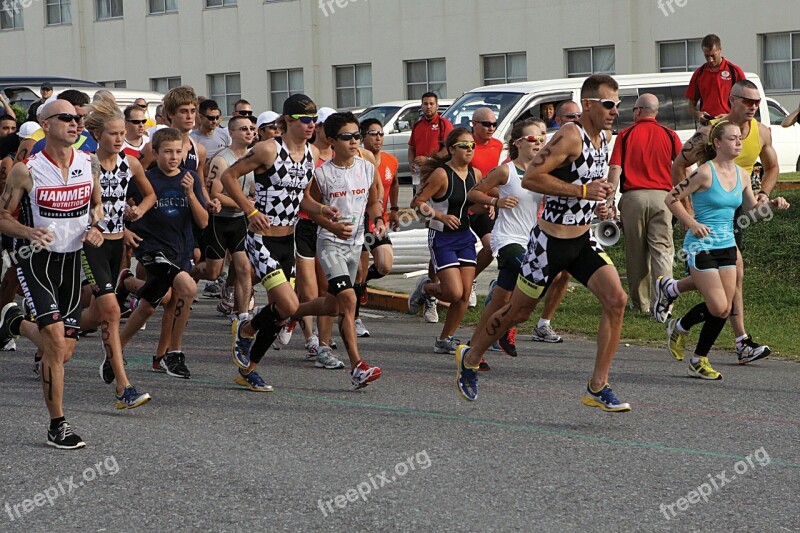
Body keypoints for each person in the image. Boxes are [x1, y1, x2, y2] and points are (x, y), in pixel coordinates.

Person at [454, 74, 631, 413]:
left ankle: (598, 385)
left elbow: (590, 182)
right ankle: (471, 356)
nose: (614, 111)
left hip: (581, 240)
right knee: (518, 312)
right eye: (609, 105)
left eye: (618, 105)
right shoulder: (569, 136)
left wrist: (602, 198)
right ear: (589, 105)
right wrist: (582, 192)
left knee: (617, 300)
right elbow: (533, 177)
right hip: (548, 243)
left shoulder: (604, 136)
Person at [0, 98, 106, 449]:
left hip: (73, 260)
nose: (75, 123)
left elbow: (97, 207)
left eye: (78, 118)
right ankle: (57, 425)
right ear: (46, 124)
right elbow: (3, 217)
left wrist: (95, 226)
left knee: (63, 351)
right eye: (66, 118)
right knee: (55, 343)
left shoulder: (88, 163)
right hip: (36, 261)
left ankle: (14, 322)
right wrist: (29, 233)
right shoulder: (25, 170)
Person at [223, 94, 344, 393]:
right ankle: (246, 329)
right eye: (305, 120)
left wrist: (322, 209)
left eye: (313, 121)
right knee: (290, 305)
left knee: (280, 312)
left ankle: (248, 369)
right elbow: (228, 176)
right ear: (288, 120)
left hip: (287, 240)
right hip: (261, 239)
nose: (310, 126)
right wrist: (250, 211)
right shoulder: (267, 149)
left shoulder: (310, 155)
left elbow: (301, 198)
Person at [661, 79, 778, 363]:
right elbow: (674, 184)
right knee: (721, 300)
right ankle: (738, 341)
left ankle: (675, 297)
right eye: (747, 101)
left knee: (727, 296)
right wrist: (689, 218)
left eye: (757, 102)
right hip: (703, 232)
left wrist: (770, 201)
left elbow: (756, 201)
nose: (753, 107)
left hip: (731, 222)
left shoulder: (749, 158)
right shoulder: (706, 155)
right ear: (732, 100)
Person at [466, 118, 571, 359]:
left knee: (498, 302)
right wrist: (496, 201)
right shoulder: (506, 170)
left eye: (542, 139)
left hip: (530, 239)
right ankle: (507, 327)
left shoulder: (542, 172)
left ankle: (472, 349)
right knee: (538, 276)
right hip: (507, 239)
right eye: (533, 139)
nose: (539, 143)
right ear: (518, 143)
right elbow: (473, 193)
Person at [297, 111, 386, 389]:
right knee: (348, 299)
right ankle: (357, 365)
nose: (354, 141)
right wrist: (332, 226)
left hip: (356, 245)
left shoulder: (367, 167)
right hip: (330, 244)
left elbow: (373, 203)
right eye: (347, 137)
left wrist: (379, 220)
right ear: (332, 140)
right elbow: (306, 207)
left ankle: (288, 314)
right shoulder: (321, 173)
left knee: (334, 305)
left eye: (357, 136)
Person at [80, 99, 155, 406]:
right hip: (92, 245)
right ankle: (123, 388)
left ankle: (55, 331)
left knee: (97, 315)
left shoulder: (132, 163)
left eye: (122, 132)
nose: (119, 138)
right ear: (97, 135)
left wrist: (137, 211)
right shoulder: (85, 163)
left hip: (116, 245)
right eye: (112, 133)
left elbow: (150, 194)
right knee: (111, 312)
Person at [117, 127, 209, 378]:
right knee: (188, 288)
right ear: (155, 152)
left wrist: (190, 193)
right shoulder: (144, 178)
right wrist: (126, 226)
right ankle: (174, 353)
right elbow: (120, 207)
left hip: (180, 248)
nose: (174, 157)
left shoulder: (191, 177)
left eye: (178, 151)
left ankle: (115, 348)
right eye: (167, 152)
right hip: (152, 249)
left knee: (150, 305)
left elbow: (203, 222)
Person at [606, 94, 682, 313]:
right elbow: (681, 168)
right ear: (656, 112)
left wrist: (610, 201)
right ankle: (664, 303)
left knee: (636, 254)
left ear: (638, 111)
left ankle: (642, 304)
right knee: (663, 251)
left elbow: (615, 169)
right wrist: (684, 200)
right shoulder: (670, 135)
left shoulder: (626, 135)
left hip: (633, 198)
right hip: (663, 198)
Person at [409, 128, 481, 355]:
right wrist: (440, 216)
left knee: (464, 295)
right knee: (452, 293)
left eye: (472, 145)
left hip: (465, 236)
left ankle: (444, 339)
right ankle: (426, 287)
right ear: (451, 149)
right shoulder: (441, 174)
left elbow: (472, 204)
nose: (469, 149)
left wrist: (487, 206)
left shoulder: (476, 174)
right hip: (441, 237)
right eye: (464, 145)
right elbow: (417, 202)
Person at [192, 114, 255, 321]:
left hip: (240, 220)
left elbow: (254, 189)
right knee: (213, 272)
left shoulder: (254, 157)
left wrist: (251, 201)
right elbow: (213, 194)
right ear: (231, 133)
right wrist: (244, 203)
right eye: (244, 129)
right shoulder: (222, 160)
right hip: (219, 221)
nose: (249, 132)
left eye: (251, 129)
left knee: (244, 267)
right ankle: (186, 273)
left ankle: (242, 313)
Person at [353, 118, 398, 337]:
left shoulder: (390, 160)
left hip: (378, 221)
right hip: (360, 222)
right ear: (362, 136)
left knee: (385, 265)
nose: (378, 137)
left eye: (381, 133)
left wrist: (395, 209)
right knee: (359, 270)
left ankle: (362, 285)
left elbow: (394, 183)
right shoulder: (358, 159)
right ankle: (356, 317)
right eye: (373, 133)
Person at [467, 107, 504, 308]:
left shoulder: (497, 145)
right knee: (455, 249)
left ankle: (470, 280)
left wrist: (492, 200)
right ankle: (431, 286)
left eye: (494, 124)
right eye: (486, 124)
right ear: (474, 124)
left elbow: (493, 179)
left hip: (486, 205)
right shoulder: (467, 145)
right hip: (465, 204)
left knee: (491, 246)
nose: (491, 128)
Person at [685, 34, 745, 123]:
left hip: (729, 123)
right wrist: (697, 114)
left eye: (713, 55)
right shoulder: (699, 73)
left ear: (720, 49)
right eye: (706, 56)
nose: (710, 60)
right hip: (707, 124)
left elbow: (746, 101)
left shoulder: (734, 71)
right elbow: (691, 105)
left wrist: (730, 115)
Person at [408, 92, 453, 195]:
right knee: (419, 201)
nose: (428, 107)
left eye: (431, 104)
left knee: (435, 203)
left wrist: (428, 160)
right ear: (422, 106)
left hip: (437, 171)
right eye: (426, 104)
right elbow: (411, 148)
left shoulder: (444, 124)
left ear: (437, 106)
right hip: (419, 174)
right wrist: (412, 164)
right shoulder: (417, 125)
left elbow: (447, 149)